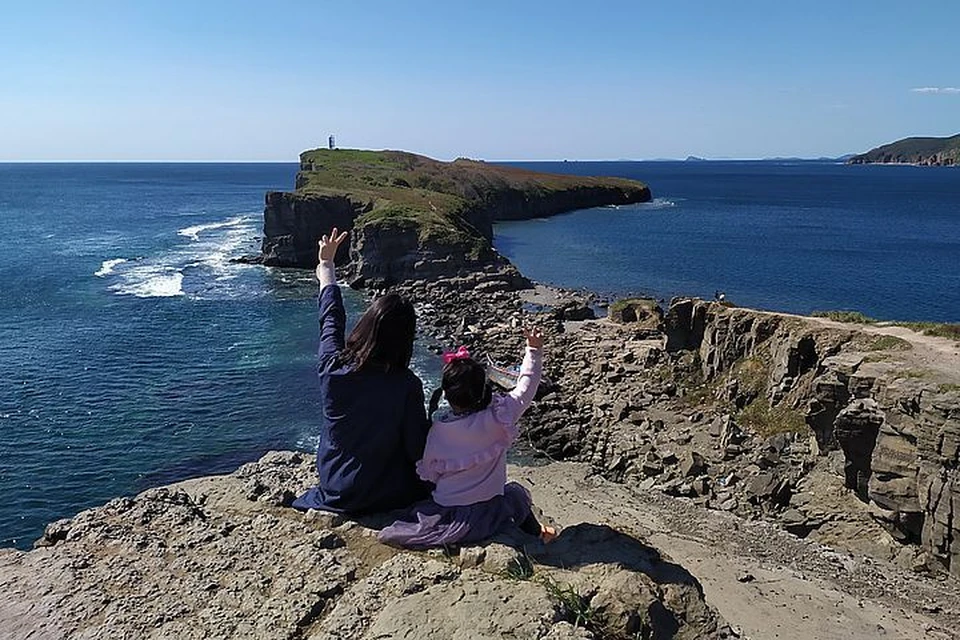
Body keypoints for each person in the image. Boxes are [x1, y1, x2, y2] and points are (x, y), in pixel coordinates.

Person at [292, 227, 431, 514]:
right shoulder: (407, 385)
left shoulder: (333, 368)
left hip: (337, 490)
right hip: (390, 494)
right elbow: (417, 448)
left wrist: (326, 266)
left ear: (366, 325)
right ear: (406, 339)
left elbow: (331, 319)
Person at [378, 329, 556, 548]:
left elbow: (431, 474)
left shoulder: (438, 431)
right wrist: (534, 349)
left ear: (447, 395)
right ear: (483, 388)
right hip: (491, 506)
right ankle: (539, 535)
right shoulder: (501, 415)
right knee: (516, 496)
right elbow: (527, 385)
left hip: (451, 512)